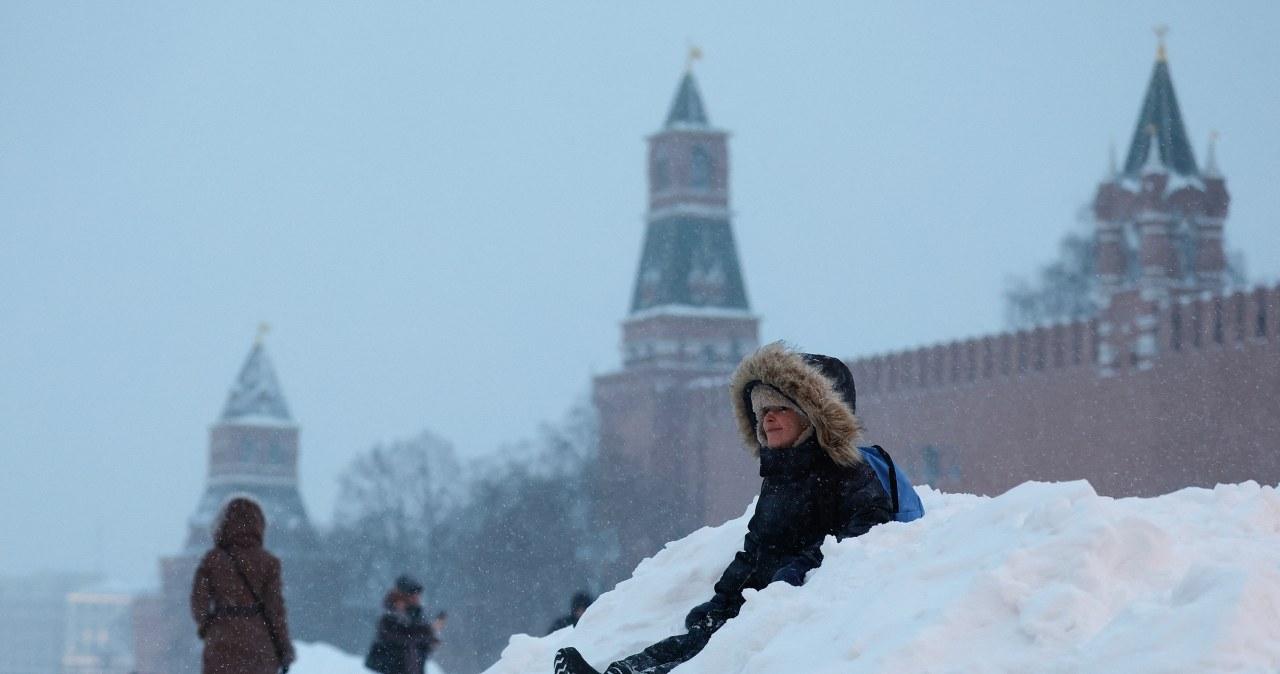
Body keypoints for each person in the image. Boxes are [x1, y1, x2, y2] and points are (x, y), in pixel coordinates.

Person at [554, 342, 893, 674]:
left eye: (781, 408)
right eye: (762, 410)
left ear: (813, 416)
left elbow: (864, 534)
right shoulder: (779, 480)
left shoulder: (848, 472)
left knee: (710, 661)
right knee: (694, 641)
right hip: (757, 605)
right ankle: (622, 671)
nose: (768, 418)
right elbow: (754, 553)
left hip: (793, 611)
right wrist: (722, 602)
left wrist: (799, 571)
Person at [191, 494, 295, 674]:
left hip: (221, 644)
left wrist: (210, 627)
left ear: (222, 524)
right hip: (259, 643)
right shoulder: (269, 562)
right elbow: (276, 610)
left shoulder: (212, 560)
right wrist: (284, 649)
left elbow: (199, 603)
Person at [366, 575, 445, 674]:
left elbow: (421, 646)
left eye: (417, 596)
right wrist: (430, 629)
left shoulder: (416, 617)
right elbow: (404, 637)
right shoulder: (388, 618)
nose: (417, 599)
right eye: (413, 596)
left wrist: (431, 638)